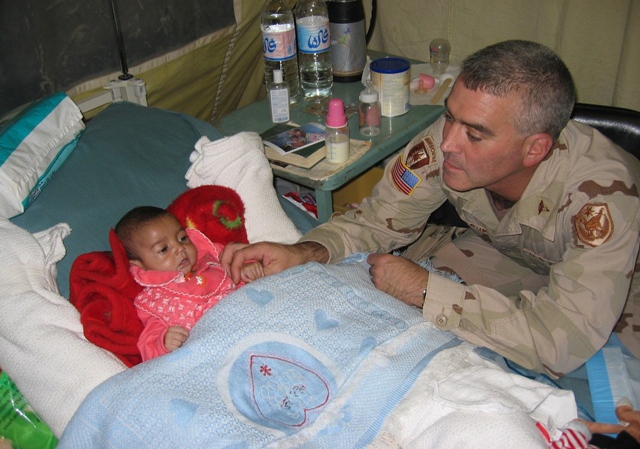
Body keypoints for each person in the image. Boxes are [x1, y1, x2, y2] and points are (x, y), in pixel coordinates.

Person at [221, 40, 640, 379]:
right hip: (510, 252)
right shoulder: (451, 137)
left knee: (578, 393)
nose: (447, 144)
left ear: (535, 149)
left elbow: (559, 338)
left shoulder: (603, 201)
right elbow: (376, 220)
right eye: (450, 117)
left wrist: (425, 290)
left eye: (474, 134)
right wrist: (304, 252)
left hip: (619, 285)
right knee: (398, 329)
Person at [115, 206, 263, 361]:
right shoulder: (155, 300)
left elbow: (243, 258)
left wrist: (248, 268)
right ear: (139, 266)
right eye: (164, 249)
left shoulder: (212, 256)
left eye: (182, 238)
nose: (180, 248)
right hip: (216, 353)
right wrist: (163, 342)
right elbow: (148, 346)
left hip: (252, 324)